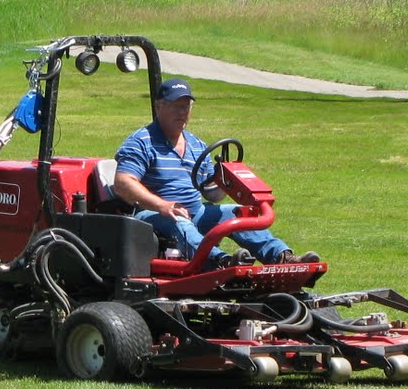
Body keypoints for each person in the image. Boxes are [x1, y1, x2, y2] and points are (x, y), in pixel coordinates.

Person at [112, 78, 320, 269]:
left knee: (237, 213)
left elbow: (211, 194)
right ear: (159, 107)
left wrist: (226, 180)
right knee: (178, 219)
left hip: (196, 212)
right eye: (176, 106)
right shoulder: (141, 142)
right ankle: (222, 262)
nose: (182, 112)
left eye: (186, 107)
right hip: (152, 215)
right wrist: (162, 205)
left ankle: (282, 257)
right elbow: (123, 183)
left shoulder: (195, 144)